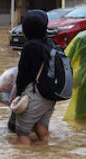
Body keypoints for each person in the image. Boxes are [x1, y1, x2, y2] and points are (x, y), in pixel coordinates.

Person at [14, 9, 58, 145]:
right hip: (50, 95)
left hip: (36, 94)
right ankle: (45, 158)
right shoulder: (50, 44)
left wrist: (18, 94)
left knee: (22, 133)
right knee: (42, 130)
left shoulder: (30, 47)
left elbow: (23, 75)